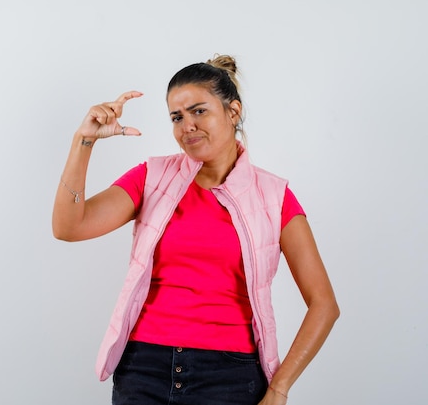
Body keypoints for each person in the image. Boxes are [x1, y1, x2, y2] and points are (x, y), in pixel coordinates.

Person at [52, 54, 339, 405]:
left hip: (230, 377)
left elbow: (323, 304)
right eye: (177, 117)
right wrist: (84, 141)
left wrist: (279, 388)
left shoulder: (274, 197)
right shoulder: (152, 178)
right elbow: (69, 226)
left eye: (199, 111)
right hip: (144, 368)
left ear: (233, 112)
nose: (187, 125)